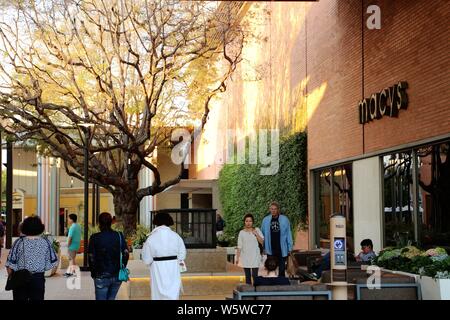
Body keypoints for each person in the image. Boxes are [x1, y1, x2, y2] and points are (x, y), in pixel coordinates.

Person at [5, 216, 59, 301]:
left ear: (24, 227)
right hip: (38, 279)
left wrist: (13, 277)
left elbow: (9, 263)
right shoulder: (45, 242)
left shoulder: (19, 242)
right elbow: (53, 262)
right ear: (40, 228)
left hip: (20, 278)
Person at [142, 212, 186, 300]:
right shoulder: (176, 236)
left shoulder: (151, 238)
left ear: (156, 222)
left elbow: (146, 259)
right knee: (173, 292)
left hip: (157, 268)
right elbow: (182, 254)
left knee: (158, 293)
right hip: (173, 267)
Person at [88, 212, 129, 300]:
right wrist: (123, 267)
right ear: (111, 222)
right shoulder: (119, 235)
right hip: (116, 274)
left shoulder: (94, 237)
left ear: (99, 223)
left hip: (100, 275)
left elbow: (91, 257)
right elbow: (126, 253)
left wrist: (93, 272)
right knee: (111, 298)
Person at [260, 201, 293, 277]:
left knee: (281, 269)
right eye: (271, 209)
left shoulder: (285, 219)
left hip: (282, 248)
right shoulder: (265, 220)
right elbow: (262, 235)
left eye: (275, 209)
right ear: (269, 209)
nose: (273, 210)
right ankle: (272, 284)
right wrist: (263, 247)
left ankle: (281, 284)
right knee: (271, 268)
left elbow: (288, 233)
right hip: (270, 248)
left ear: (278, 210)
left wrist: (290, 247)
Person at [236, 213, 264, 285]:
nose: (248, 223)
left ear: (253, 222)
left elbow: (262, 242)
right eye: (246, 221)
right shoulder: (241, 233)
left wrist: (256, 234)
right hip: (245, 257)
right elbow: (239, 246)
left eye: (250, 221)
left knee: (255, 276)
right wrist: (237, 258)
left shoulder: (257, 230)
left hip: (255, 256)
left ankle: (256, 294)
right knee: (247, 277)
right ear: (244, 222)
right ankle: (248, 295)